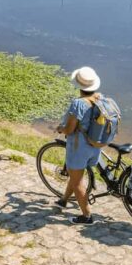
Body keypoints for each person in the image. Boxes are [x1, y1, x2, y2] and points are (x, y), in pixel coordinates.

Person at [55, 66, 105, 225]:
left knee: (77, 181)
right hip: (94, 145)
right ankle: (63, 200)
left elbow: (70, 129)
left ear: (79, 85)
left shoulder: (78, 104)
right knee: (76, 174)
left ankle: (87, 216)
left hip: (79, 147)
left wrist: (61, 128)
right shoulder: (99, 98)